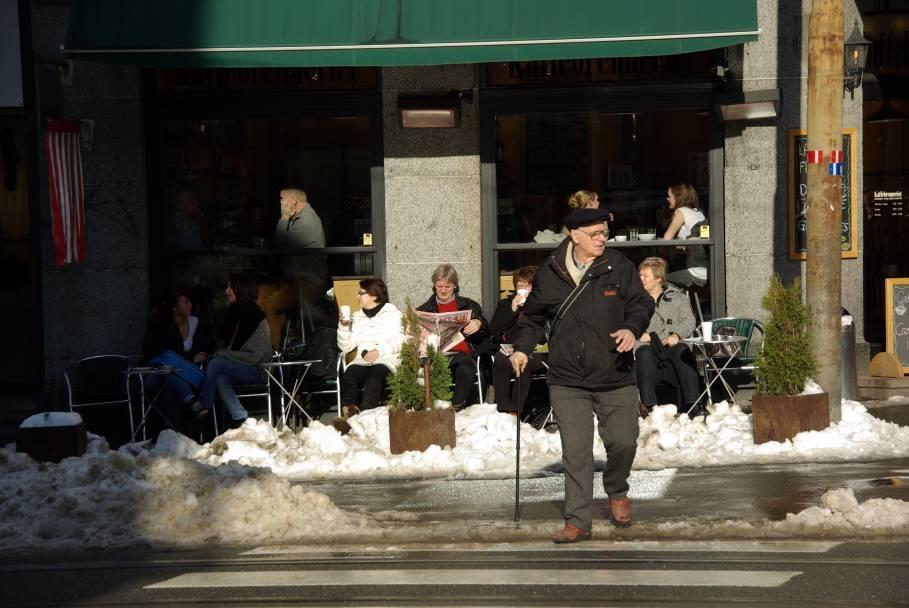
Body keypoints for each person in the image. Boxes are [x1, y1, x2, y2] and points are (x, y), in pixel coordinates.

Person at [510, 207, 654, 542]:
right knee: (575, 452)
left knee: (623, 442)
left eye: (605, 233)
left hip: (614, 372)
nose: (602, 239)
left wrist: (632, 329)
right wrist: (521, 348)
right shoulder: (551, 271)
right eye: (595, 234)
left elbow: (641, 304)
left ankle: (616, 488)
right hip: (567, 378)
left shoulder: (618, 266)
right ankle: (577, 521)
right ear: (574, 235)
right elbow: (532, 319)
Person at [190, 273, 272, 427]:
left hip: (258, 370)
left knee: (216, 364)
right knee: (220, 378)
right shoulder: (234, 314)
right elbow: (224, 343)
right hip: (241, 368)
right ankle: (240, 416)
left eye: (230, 287)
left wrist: (222, 354)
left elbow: (254, 357)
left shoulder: (255, 316)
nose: (226, 291)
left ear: (240, 289)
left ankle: (203, 406)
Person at [333, 277, 404, 434]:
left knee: (374, 378)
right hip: (362, 360)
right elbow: (346, 347)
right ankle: (350, 414)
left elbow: (401, 339)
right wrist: (344, 327)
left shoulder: (393, 314)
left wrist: (379, 351)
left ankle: (365, 418)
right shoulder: (357, 317)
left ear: (374, 295)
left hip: (386, 359)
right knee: (349, 375)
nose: (357, 296)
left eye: (361, 293)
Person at [142, 287, 215, 434]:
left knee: (172, 377)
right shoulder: (160, 324)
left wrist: (197, 358)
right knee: (169, 371)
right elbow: (154, 353)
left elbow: (207, 347)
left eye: (190, 302)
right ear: (174, 307)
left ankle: (170, 428)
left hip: (187, 376)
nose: (190, 305)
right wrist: (190, 359)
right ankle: (190, 404)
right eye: (186, 302)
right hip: (156, 375)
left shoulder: (196, 323)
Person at [635, 257, 702, 418]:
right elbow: (627, 321)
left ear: (658, 278)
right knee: (644, 354)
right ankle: (649, 406)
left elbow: (689, 320)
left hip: (671, 343)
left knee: (682, 351)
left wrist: (677, 334)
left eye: (645, 276)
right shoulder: (635, 300)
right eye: (640, 275)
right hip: (648, 345)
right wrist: (639, 334)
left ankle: (694, 404)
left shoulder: (678, 297)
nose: (640, 279)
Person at [417, 264, 489, 410]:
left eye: (448, 286)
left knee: (467, 365)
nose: (443, 290)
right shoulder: (424, 310)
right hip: (436, 356)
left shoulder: (469, 305)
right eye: (439, 286)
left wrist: (478, 323)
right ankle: (453, 407)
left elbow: (487, 333)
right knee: (464, 361)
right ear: (434, 286)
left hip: (465, 356)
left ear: (455, 286)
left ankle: (456, 406)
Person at [486, 266, 546, 415]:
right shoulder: (505, 304)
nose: (523, 288)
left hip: (535, 350)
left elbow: (543, 332)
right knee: (500, 361)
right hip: (509, 347)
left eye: (528, 285)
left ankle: (515, 410)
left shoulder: (542, 305)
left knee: (522, 364)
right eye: (520, 285)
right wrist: (512, 310)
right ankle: (503, 408)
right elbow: (494, 329)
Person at [270, 187, 328, 329]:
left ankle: (273, 348)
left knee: (269, 304)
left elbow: (281, 243)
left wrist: (284, 217)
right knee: (261, 297)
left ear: (293, 201)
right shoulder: (299, 217)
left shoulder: (307, 221)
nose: (280, 203)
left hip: (306, 284)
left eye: (282, 199)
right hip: (297, 282)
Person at [661, 183, 707, 286]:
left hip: (694, 272)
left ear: (678, 198)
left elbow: (666, 239)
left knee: (660, 280)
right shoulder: (699, 212)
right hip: (706, 270)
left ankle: (680, 301)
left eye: (669, 196)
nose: (667, 199)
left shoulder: (681, 212)